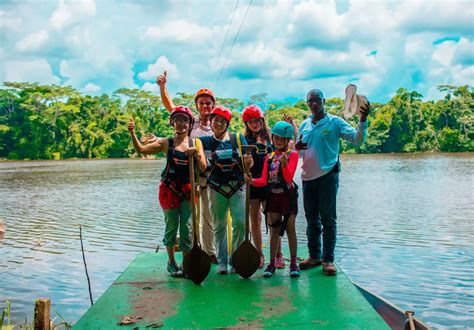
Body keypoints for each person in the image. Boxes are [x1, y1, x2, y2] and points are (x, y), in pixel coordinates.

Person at [296, 89, 369, 276]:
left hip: (328, 175)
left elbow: (357, 140)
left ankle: (328, 260)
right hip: (307, 177)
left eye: (317, 100)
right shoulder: (305, 125)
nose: (313, 104)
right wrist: (298, 148)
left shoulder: (335, 122)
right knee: (312, 220)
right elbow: (299, 152)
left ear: (323, 101)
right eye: (310, 101)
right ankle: (314, 256)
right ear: (307, 104)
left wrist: (363, 120)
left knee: (328, 219)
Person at [128, 106, 207, 277]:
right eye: (177, 120)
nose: (180, 123)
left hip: (188, 190)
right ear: (172, 122)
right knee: (171, 226)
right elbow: (141, 150)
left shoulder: (196, 143)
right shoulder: (166, 143)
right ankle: (171, 263)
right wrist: (132, 133)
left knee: (187, 228)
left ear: (189, 123)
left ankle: (187, 264)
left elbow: (204, 168)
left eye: (184, 120)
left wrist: (197, 156)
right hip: (169, 190)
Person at [156, 71, 217, 264]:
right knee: (191, 220)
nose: (205, 106)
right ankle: (188, 254)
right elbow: (171, 108)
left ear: (213, 105)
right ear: (197, 106)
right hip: (190, 177)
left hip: (211, 173)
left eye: (208, 103)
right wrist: (163, 88)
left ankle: (210, 251)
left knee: (210, 215)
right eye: (201, 103)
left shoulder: (218, 122)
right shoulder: (191, 121)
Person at [198, 106, 251, 274]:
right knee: (219, 225)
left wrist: (249, 163)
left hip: (237, 187)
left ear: (227, 124)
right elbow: (201, 165)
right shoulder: (204, 142)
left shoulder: (238, 138)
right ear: (211, 122)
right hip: (216, 189)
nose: (218, 124)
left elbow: (248, 163)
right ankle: (222, 262)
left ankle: (235, 259)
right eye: (215, 120)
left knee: (240, 224)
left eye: (222, 121)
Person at [246, 121, 300, 278]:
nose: (278, 141)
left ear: (287, 140)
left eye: (282, 139)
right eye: (276, 138)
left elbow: (289, 178)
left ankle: (294, 264)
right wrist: (251, 181)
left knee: (290, 230)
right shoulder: (268, 158)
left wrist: (284, 165)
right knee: (274, 230)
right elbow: (263, 180)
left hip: (287, 197)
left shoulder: (293, 155)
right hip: (273, 197)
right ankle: (271, 263)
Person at [241, 105, 287, 269]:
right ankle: (259, 254)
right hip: (253, 184)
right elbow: (242, 161)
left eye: (257, 120)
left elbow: (284, 152)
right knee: (255, 219)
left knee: (274, 220)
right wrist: (247, 163)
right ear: (247, 123)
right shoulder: (245, 140)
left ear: (262, 120)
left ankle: (278, 254)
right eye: (251, 121)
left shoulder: (271, 138)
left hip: (271, 184)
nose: (255, 124)